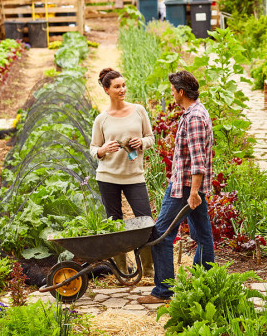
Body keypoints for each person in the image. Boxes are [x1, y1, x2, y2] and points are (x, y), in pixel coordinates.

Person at [137, 70, 215, 304]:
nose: (171, 95)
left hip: (184, 188)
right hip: (189, 186)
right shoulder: (195, 112)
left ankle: (163, 292)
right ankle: (204, 283)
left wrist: (193, 193)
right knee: (203, 237)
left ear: (181, 92)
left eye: (173, 91)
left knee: (161, 234)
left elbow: (198, 160)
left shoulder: (194, 118)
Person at [90, 68, 156, 277]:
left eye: (123, 85)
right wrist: (102, 150)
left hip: (134, 176)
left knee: (145, 220)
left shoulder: (139, 111)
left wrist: (142, 142)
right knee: (115, 222)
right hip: (108, 176)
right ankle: (121, 270)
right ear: (106, 90)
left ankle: (147, 271)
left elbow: (150, 137)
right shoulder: (102, 119)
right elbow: (93, 148)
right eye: (117, 87)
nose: (122, 89)